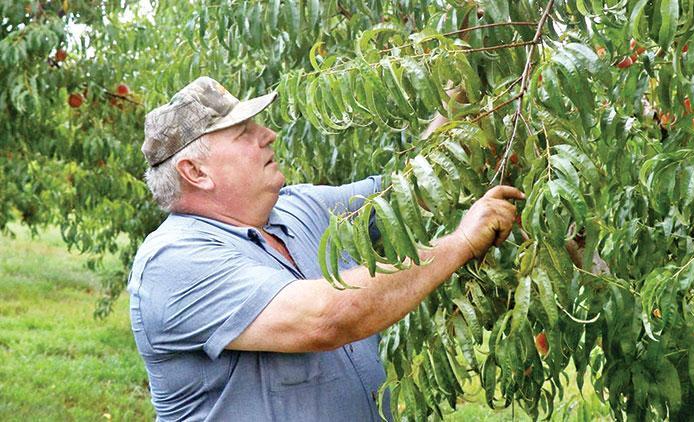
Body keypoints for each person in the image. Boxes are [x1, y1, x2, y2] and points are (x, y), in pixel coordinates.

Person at [128, 76, 523, 421]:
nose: (268, 135)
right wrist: (460, 244)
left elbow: (415, 189)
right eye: (244, 132)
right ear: (195, 172)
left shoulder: (300, 208)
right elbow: (326, 319)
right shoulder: (173, 261)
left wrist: (459, 83)